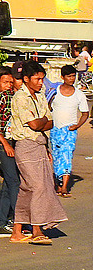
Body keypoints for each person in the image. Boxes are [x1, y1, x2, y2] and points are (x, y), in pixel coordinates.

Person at [8, 61, 67, 244]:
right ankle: (37, 229)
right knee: (39, 187)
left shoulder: (40, 96)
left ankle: (17, 230)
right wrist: (42, 122)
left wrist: (42, 123)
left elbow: (50, 121)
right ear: (26, 79)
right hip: (26, 146)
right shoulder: (20, 98)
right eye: (37, 79)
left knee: (27, 190)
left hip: (40, 146)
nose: (41, 82)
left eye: (42, 79)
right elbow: (35, 124)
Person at [0, 67, 23, 237]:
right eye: (5, 82)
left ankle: (2, 223)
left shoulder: (16, 97)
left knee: (9, 183)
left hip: (13, 144)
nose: (9, 85)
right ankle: (19, 221)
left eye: (11, 81)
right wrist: (4, 144)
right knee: (13, 182)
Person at [49, 64, 89, 197]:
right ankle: (58, 184)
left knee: (67, 156)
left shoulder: (79, 95)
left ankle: (65, 186)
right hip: (55, 129)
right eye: (69, 76)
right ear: (62, 77)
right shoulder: (54, 92)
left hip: (70, 131)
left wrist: (77, 126)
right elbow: (48, 107)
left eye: (73, 76)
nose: (72, 79)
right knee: (56, 156)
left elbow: (85, 113)